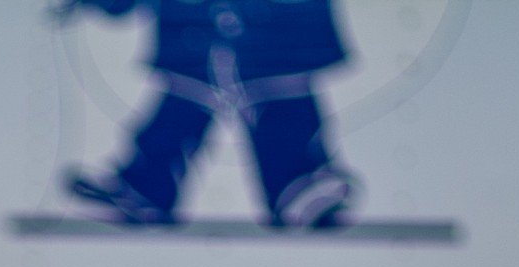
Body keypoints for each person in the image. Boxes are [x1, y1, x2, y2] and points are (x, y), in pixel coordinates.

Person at [59, 0, 360, 229]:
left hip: (273, 31)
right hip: (195, 29)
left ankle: (297, 182)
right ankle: (147, 185)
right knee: (182, 105)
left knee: (282, 105)